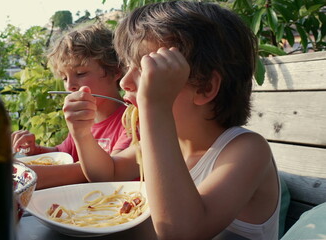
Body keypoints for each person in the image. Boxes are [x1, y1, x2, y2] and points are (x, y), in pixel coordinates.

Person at [71, 1, 281, 239]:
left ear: (204, 87)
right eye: (128, 66)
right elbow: (106, 174)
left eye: (148, 69)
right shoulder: (173, 144)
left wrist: (155, 106)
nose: (124, 82)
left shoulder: (247, 150)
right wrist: (82, 133)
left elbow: (182, 232)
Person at [11, 24, 132, 189]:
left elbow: (107, 172)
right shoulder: (85, 119)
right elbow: (63, 153)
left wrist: (24, 174)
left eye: (80, 74)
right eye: (64, 78)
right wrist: (36, 150)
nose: (70, 86)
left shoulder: (130, 120)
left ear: (115, 71)